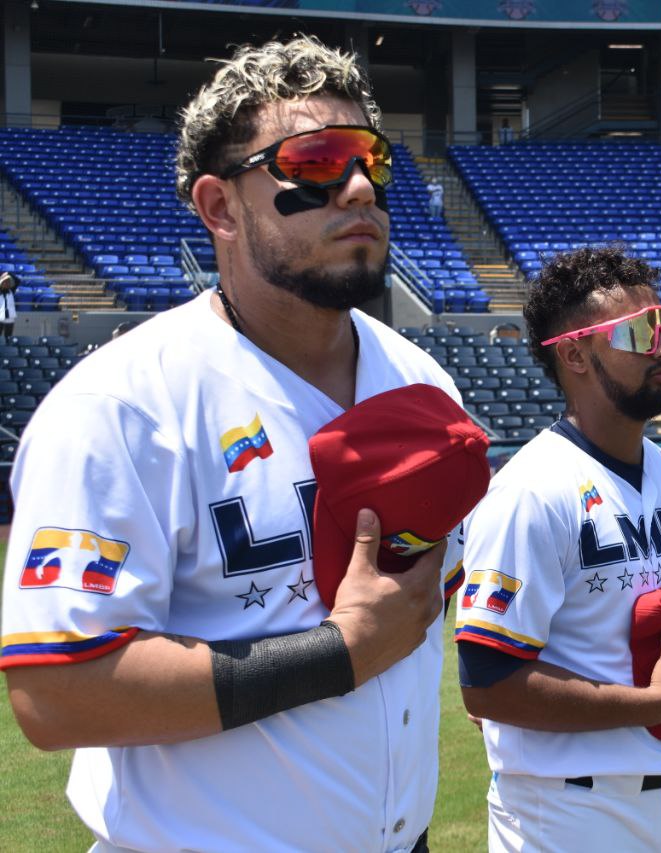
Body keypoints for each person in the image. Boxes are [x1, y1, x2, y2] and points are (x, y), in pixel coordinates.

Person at [1, 37, 457, 851]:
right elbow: (58, 693)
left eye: (373, 159)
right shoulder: (122, 405)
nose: (360, 186)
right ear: (219, 209)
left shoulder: (422, 380)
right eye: (314, 161)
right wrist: (339, 651)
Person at [457, 246, 661, 852]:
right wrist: (649, 703)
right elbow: (486, 683)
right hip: (566, 810)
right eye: (638, 331)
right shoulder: (529, 491)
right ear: (576, 353)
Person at [0, 271, 19, 341]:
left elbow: (17, 281)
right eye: (4, 282)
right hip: (0, 317)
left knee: (8, 337)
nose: (7, 283)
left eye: (8, 282)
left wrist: (8, 273)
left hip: (10, 317)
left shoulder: (11, 290)